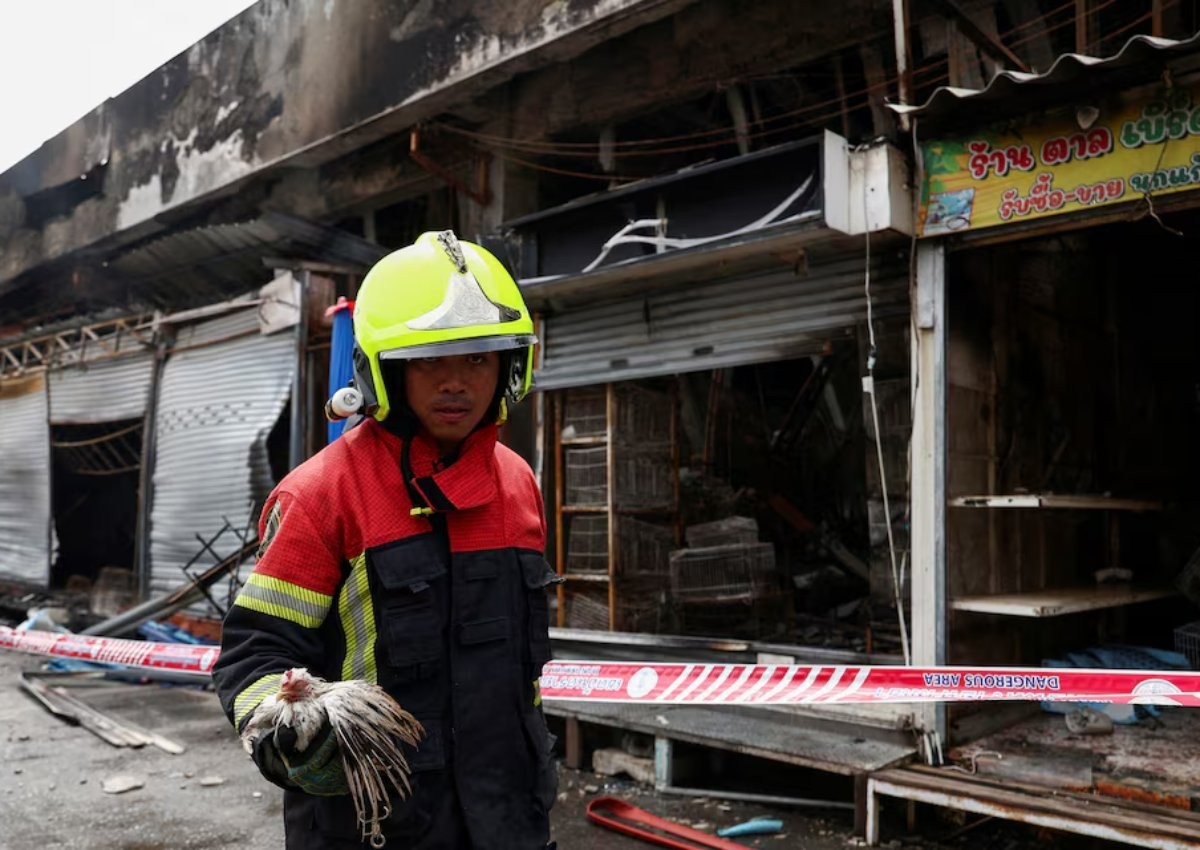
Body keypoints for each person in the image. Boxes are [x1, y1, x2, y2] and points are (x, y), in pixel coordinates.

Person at [212, 230, 560, 849]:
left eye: (478, 358)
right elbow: (253, 655)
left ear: (511, 363)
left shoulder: (517, 482)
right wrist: (290, 726)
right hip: (372, 824)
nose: (457, 382)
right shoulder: (320, 494)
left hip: (509, 816)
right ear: (384, 367)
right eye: (429, 359)